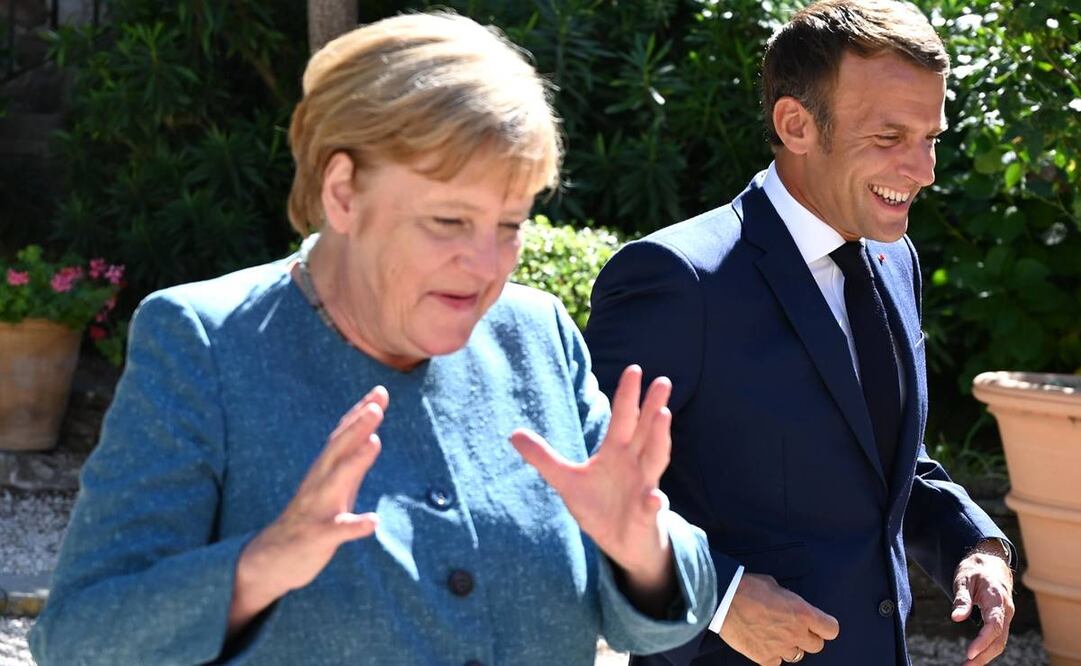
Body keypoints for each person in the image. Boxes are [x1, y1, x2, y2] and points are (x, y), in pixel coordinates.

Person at [30, 12, 717, 665]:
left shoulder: (535, 335)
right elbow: (78, 637)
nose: (485, 267)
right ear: (343, 193)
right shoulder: (204, 344)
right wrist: (262, 564)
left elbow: (661, 609)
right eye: (448, 221)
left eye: (508, 226)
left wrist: (641, 547)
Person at [584, 1, 1015, 665]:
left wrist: (973, 544)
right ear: (795, 125)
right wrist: (718, 598)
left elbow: (882, 456)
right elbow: (591, 487)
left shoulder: (892, 257)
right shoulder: (673, 279)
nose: (923, 170)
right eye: (888, 137)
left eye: (929, 137)